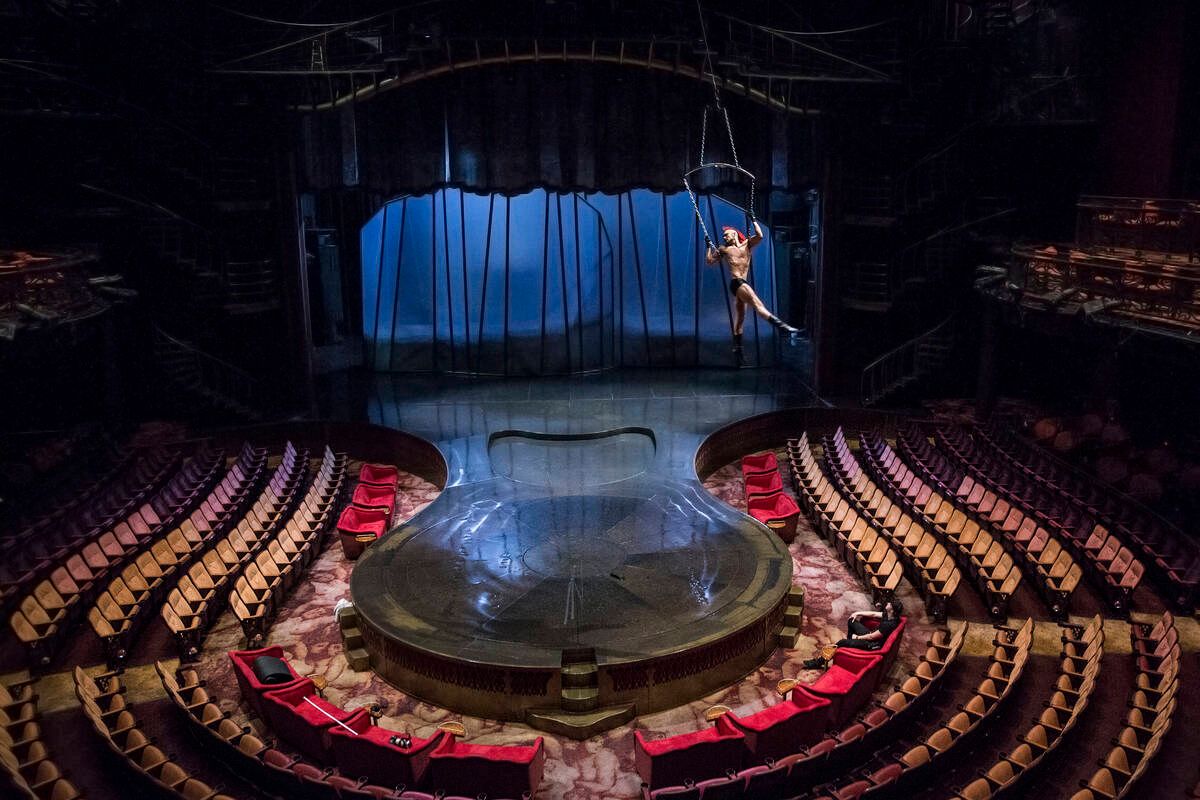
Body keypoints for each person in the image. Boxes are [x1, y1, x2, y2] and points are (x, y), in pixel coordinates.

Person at [706, 220, 800, 367]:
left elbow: (760, 235)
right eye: (723, 236)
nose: (724, 237)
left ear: (734, 234)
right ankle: (786, 329)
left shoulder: (747, 245)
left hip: (742, 284)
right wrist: (708, 247)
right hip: (736, 283)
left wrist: (754, 220)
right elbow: (710, 261)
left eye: (726, 235)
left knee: (740, 320)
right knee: (758, 305)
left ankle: (738, 351)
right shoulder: (724, 249)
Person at [802, 599, 903, 669]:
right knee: (852, 620)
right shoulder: (889, 615)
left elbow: (872, 637)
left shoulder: (889, 624)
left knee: (841, 642)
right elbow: (873, 614)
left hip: (872, 645)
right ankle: (851, 642)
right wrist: (857, 613)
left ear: (892, 610)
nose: (888, 603)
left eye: (890, 604)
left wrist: (858, 637)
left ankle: (818, 662)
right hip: (871, 635)